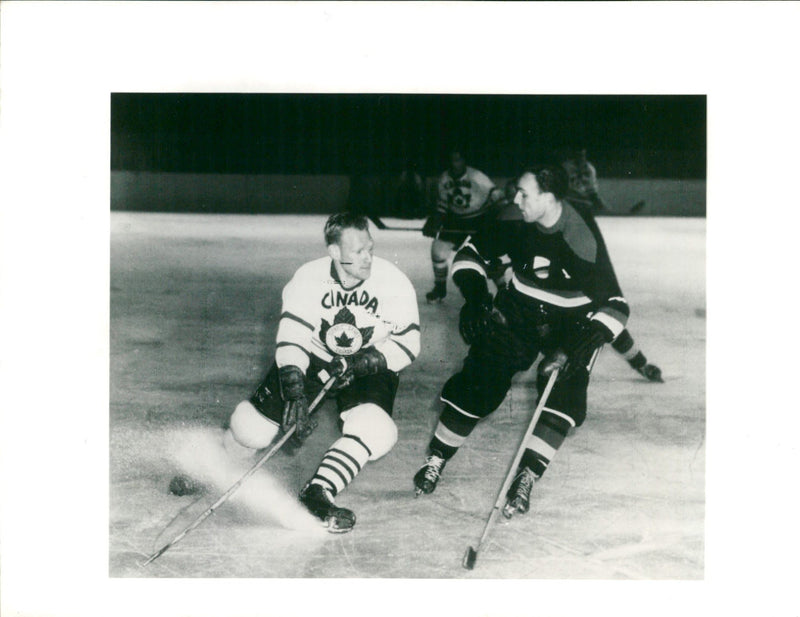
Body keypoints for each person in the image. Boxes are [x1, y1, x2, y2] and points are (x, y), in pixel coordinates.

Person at [413, 164, 630, 518]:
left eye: (524, 194)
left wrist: (584, 341)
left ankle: (527, 476)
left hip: (571, 321)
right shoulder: (515, 217)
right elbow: (469, 254)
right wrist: (476, 298)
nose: (516, 199)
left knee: (563, 389)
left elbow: (616, 304)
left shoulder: (580, 235)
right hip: (520, 310)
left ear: (549, 198)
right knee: (479, 381)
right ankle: (435, 459)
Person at [221, 212, 420, 533]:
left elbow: (409, 343)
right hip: (313, 357)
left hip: (371, 362)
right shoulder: (308, 278)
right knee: (251, 430)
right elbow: (292, 338)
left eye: (370, 247)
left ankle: (318, 491)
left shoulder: (393, 281)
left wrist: (364, 363)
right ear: (334, 252)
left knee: (377, 430)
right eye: (358, 252)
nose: (368, 257)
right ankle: (220, 461)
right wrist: (295, 389)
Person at [422, 149, 503, 303]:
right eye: (452, 160)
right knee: (438, 251)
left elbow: (497, 196)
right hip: (455, 219)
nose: (455, 164)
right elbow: (442, 205)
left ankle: (503, 289)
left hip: (478, 218)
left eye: (458, 160)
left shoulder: (477, 177)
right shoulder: (444, 178)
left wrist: (494, 219)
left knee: (488, 255)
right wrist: (434, 221)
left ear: (464, 161)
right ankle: (440, 288)